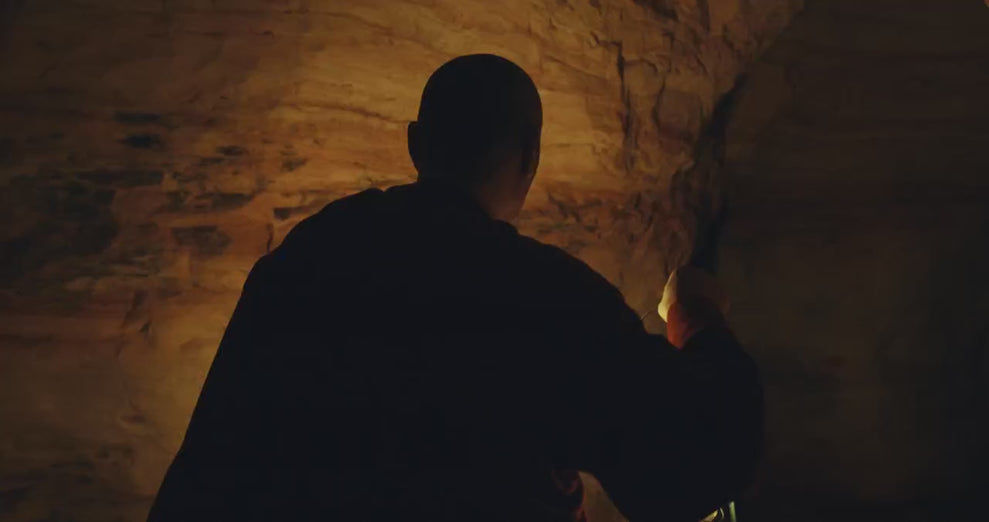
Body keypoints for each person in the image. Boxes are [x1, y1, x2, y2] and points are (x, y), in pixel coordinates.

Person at [148, 54, 762, 522]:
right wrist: (695, 316)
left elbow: (212, 467)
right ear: (530, 158)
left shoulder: (312, 256)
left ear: (415, 143)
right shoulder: (541, 298)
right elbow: (697, 459)